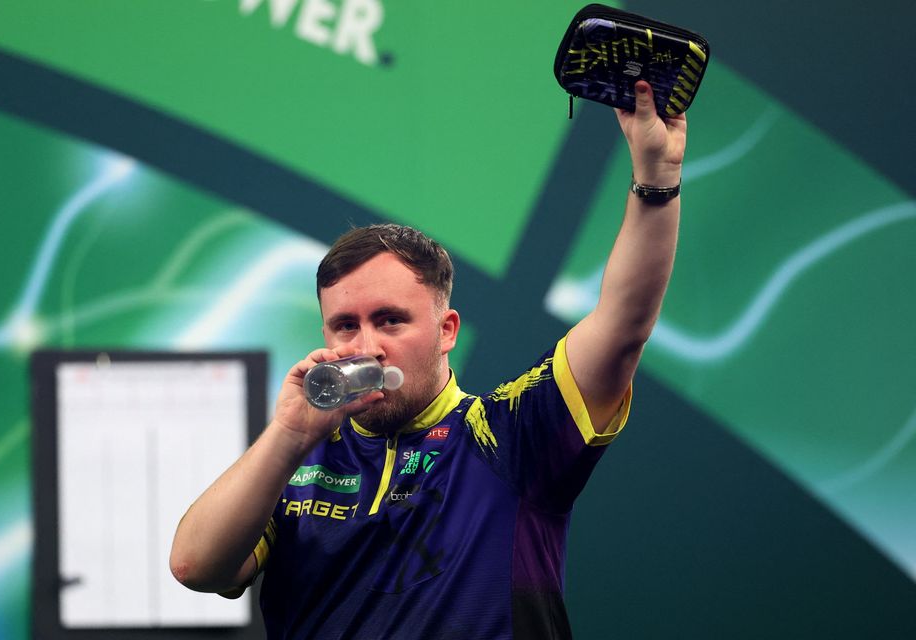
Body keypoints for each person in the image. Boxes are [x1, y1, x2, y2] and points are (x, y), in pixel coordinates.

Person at [170, 80, 685, 639]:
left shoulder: (510, 434)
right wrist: (289, 436)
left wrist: (656, 180)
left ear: (446, 330)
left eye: (390, 320)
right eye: (346, 325)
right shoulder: (295, 461)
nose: (366, 345)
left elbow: (624, 325)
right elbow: (194, 568)